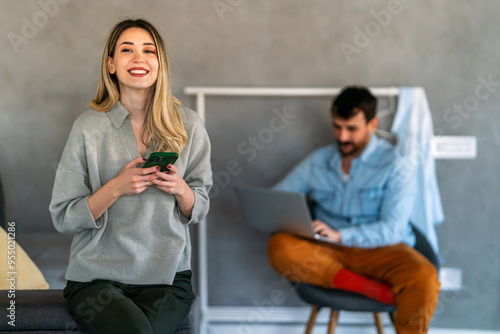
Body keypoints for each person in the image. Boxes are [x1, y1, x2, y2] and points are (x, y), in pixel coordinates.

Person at [49, 19, 212, 334]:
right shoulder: (87, 128)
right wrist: (115, 188)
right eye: (127, 50)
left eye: (148, 50)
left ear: (159, 63)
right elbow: (63, 217)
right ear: (111, 64)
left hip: (167, 278)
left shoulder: (189, 125)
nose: (139, 58)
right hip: (96, 279)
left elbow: (200, 206)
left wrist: (181, 189)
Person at [267, 86, 440, 334]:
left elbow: (392, 229)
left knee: (424, 277)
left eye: (352, 129)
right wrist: (288, 215)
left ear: (372, 124)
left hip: (382, 250)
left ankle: (357, 284)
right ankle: (371, 289)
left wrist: (340, 235)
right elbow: (277, 197)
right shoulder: (319, 161)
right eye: (337, 127)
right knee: (279, 247)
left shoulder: (396, 165)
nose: (343, 137)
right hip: (327, 251)